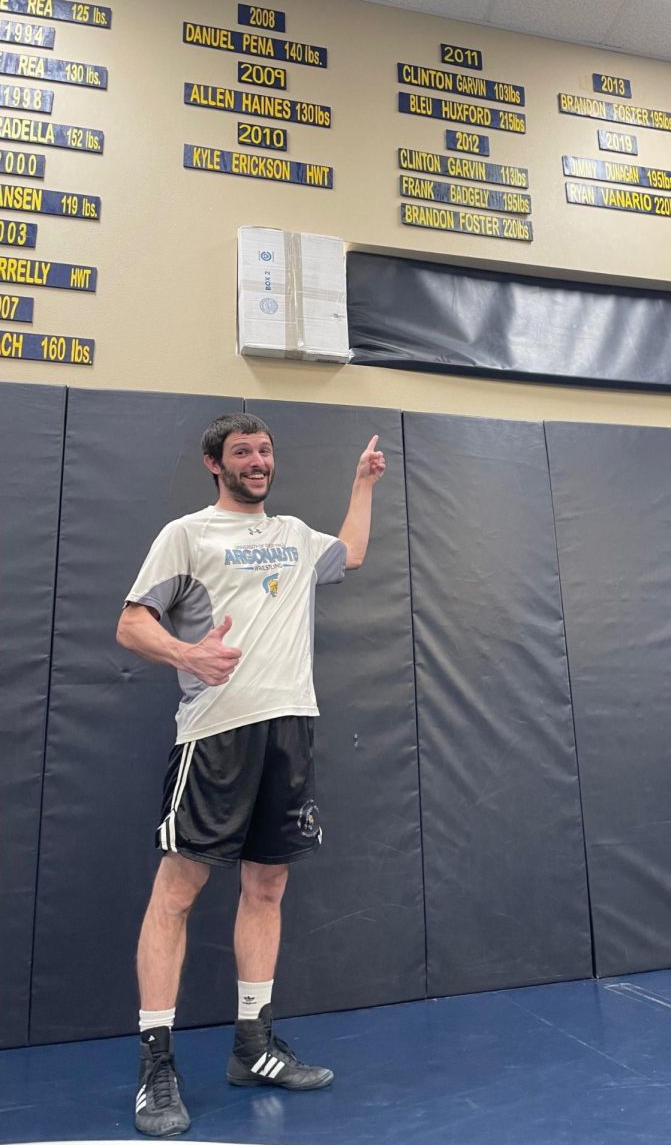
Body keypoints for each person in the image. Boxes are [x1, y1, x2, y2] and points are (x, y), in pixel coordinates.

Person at [116, 412, 385, 1137]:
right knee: (178, 890)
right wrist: (189, 655)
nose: (258, 462)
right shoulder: (187, 534)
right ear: (216, 463)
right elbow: (132, 623)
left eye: (265, 451)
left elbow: (351, 554)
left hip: (290, 727)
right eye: (243, 452)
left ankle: (253, 1047)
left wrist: (362, 485)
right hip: (216, 736)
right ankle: (156, 1065)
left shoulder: (294, 535)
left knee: (267, 885)